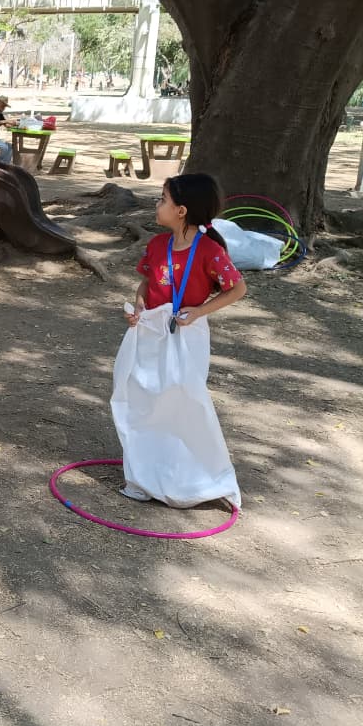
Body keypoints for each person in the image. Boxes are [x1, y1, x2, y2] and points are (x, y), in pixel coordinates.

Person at [116, 174, 248, 509]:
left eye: (163, 199)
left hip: (186, 334)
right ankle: (143, 475)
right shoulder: (157, 244)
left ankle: (188, 475)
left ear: (182, 210)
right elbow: (147, 283)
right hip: (151, 331)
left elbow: (237, 288)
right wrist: (140, 306)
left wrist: (200, 311)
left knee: (180, 400)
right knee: (143, 396)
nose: (157, 204)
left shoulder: (209, 250)